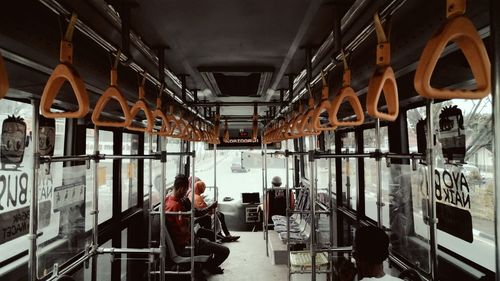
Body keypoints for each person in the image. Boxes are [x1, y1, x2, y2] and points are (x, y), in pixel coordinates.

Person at [165, 174, 229, 275]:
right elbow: (183, 231)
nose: (187, 193)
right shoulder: (176, 207)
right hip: (187, 245)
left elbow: (194, 214)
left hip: (187, 240)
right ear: (182, 189)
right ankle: (209, 267)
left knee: (209, 237)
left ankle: (207, 266)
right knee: (225, 251)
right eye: (186, 190)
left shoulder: (170, 200)